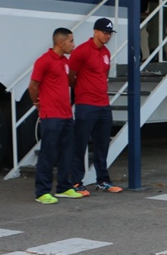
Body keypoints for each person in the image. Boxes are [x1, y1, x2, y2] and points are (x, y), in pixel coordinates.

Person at [69, 18, 123, 194]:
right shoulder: (82, 51)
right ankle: (76, 182)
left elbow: (103, 75)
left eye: (110, 33)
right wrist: (81, 90)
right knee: (80, 144)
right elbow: (71, 75)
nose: (108, 36)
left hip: (103, 104)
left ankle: (103, 180)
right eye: (105, 32)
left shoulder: (106, 52)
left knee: (102, 144)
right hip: (86, 104)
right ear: (95, 31)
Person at [28, 28, 82, 204]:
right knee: (48, 153)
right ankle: (42, 191)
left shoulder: (65, 61)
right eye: (71, 41)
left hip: (66, 114)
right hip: (51, 116)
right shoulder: (44, 61)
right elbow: (33, 86)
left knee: (67, 152)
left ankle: (64, 187)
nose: (73, 44)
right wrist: (37, 104)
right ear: (60, 42)